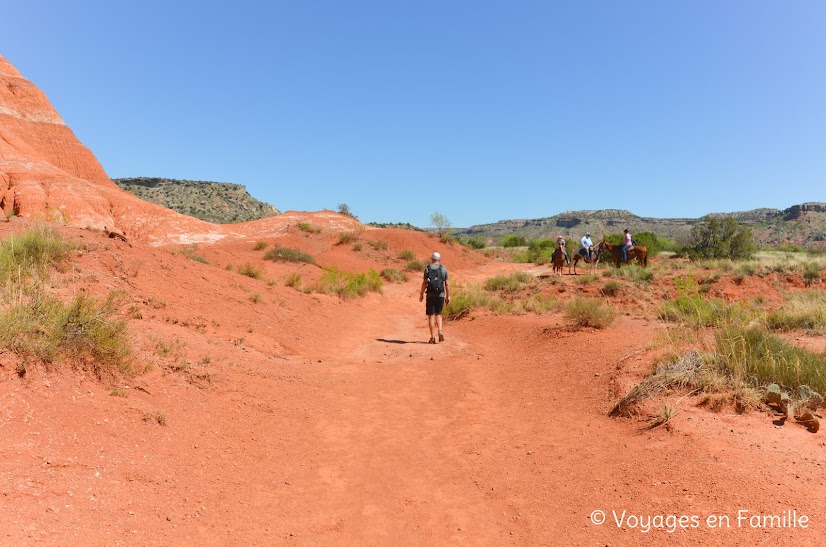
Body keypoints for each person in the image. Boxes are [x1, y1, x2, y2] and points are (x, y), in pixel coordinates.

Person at [419, 251, 450, 344]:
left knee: (431, 316)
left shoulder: (428, 269)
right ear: (439, 259)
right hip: (440, 295)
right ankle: (440, 331)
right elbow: (447, 284)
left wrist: (421, 293)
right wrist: (448, 296)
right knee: (439, 314)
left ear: (432, 259)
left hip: (430, 295)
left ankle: (432, 337)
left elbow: (424, 283)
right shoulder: (444, 269)